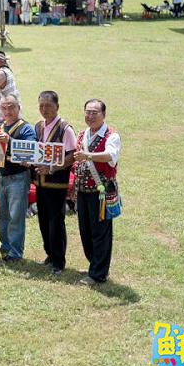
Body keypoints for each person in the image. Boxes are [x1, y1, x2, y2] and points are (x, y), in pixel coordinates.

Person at [72, 99, 121, 285]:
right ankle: (95, 264)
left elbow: (110, 156)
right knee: (85, 230)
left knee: (100, 232)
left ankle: (98, 273)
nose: (90, 116)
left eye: (95, 112)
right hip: (83, 190)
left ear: (104, 115)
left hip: (100, 192)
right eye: (88, 112)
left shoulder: (111, 136)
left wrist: (88, 156)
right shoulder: (83, 134)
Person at [32, 91, 76, 274]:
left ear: (57, 106)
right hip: (40, 183)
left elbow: (72, 155)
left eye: (48, 106)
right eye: (41, 106)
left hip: (56, 184)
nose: (44, 109)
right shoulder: (38, 126)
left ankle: (58, 261)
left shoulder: (65, 129)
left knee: (56, 221)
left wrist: (51, 168)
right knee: (43, 219)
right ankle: (50, 254)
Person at [0, 94, 37, 262]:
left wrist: (9, 140)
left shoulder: (26, 128)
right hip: (0, 176)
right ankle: (5, 246)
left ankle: (15, 252)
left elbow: (31, 152)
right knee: (2, 215)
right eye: (4, 108)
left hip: (18, 177)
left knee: (16, 216)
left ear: (19, 107)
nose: (7, 111)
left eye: (11, 107)